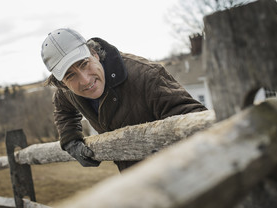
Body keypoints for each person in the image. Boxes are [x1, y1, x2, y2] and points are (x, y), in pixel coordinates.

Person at [41, 28, 207, 172]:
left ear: (94, 53)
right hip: (134, 183)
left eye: (84, 64)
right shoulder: (67, 91)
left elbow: (195, 119)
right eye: (70, 75)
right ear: (62, 82)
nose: (85, 80)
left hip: (180, 175)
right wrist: (70, 139)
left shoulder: (146, 76)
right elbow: (63, 110)